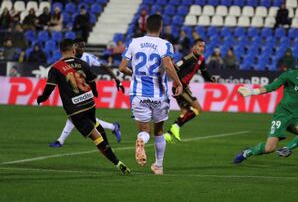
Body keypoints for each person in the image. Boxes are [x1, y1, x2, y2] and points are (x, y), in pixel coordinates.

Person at [37, 38, 130, 174]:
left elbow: (49, 89)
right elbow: (92, 81)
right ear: (73, 50)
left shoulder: (55, 68)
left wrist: (41, 98)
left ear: (60, 50)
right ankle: (108, 139)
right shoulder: (82, 63)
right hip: (90, 103)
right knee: (94, 122)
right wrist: (95, 92)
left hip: (75, 109)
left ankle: (117, 162)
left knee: (96, 137)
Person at [233, 49, 298, 164]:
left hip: (296, 117)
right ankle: (247, 152)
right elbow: (272, 87)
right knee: (269, 148)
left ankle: (287, 149)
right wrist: (252, 92)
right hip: (282, 114)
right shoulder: (289, 75)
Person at [119, 14, 183, 175]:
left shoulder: (134, 42)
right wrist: (178, 82)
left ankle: (141, 140)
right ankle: (158, 166)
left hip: (138, 94)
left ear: (145, 26)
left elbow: (122, 67)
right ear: (160, 27)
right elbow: (168, 65)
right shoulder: (165, 44)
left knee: (145, 131)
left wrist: (132, 73)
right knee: (159, 130)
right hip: (159, 95)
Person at [49, 38, 124, 148]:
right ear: (74, 47)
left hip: (84, 91)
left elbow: (104, 67)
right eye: (80, 46)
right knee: (82, 118)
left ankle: (60, 141)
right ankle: (113, 127)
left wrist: (116, 79)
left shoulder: (88, 57)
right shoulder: (67, 58)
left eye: (84, 46)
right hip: (72, 91)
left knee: (75, 116)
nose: (83, 49)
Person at [164, 38, 215, 143]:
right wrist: (178, 84)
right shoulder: (188, 58)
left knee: (185, 112)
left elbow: (204, 71)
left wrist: (210, 78)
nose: (202, 48)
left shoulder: (201, 59)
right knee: (198, 108)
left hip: (184, 87)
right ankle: (176, 126)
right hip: (180, 88)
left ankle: (168, 134)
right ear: (194, 47)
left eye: (203, 46)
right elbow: (175, 68)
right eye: (200, 46)